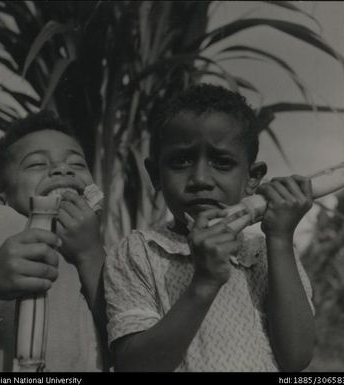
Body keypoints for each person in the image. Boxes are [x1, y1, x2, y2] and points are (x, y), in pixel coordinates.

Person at [103, 84, 316, 372]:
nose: (201, 178)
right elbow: (135, 366)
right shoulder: (138, 252)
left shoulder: (267, 252)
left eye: (222, 162)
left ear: (252, 178)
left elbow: (297, 359)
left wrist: (279, 238)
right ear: (156, 175)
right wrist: (204, 283)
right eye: (181, 161)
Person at [0, 111, 106, 371]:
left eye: (77, 164)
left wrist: (91, 254)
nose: (62, 169)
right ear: (1, 199)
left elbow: (123, 338)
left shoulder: (104, 252)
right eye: (36, 164)